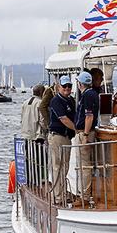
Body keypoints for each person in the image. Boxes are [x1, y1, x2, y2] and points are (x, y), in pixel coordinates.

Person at [48, 76, 76, 204]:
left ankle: (63, 193)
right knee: (57, 166)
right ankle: (58, 196)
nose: (67, 88)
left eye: (69, 86)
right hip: (57, 136)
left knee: (65, 167)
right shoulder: (55, 101)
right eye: (64, 86)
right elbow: (63, 119)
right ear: (59, 87)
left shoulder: (71, 101)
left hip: (67, 137)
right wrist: (78, 129)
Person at [75, 71, 99, 201]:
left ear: (80, 84)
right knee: (84, 164)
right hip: (86, 132)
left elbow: (89, 116)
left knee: (84, 165)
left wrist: (84, 134)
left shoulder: (88, 95)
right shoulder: (92, 94)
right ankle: (84, 193)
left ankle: (84, 195)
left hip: (85, 133)